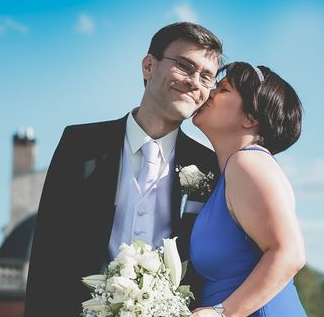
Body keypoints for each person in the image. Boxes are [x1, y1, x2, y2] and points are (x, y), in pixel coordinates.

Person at [24, 22, 223, 317]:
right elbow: (47, 250)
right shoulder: (80, 144)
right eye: (184, 66)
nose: (195, 81)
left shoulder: (210, 164)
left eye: (207, 77)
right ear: (148, 66)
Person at [190, 62, 307, 317]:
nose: (209, 91)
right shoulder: (234, 171)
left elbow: (290, 253)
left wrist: (221, 313)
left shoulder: (248, 163)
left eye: (224, 89)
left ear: (251, 118)